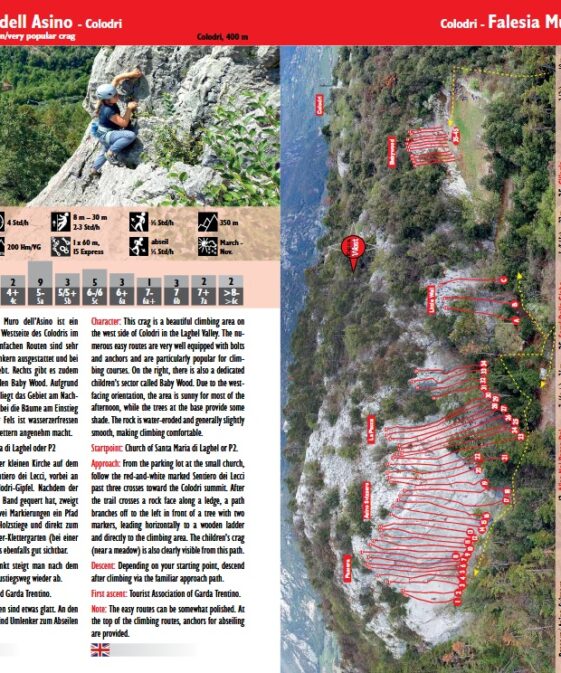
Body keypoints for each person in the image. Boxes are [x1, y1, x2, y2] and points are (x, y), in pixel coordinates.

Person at [90, 68, 143, 176]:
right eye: (114, 96)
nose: (117, 95)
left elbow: (116, 79)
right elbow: (123, 123)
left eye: (116, 93)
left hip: (103, 133)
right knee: (130, 136)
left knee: (104, 150)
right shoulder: (108, 111)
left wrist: (131, 74)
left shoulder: (106, 98)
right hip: (107, 134)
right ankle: (111, 153)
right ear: (107, 99)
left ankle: (94, 170)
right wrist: (129, 108)